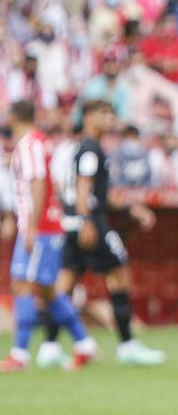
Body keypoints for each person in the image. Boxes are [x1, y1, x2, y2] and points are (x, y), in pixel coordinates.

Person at [53, 100, 162, 366]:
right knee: (119, 275)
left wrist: (132, 209)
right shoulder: (90, 149)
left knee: (63, 287)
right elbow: (84, 188)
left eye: (111, 113)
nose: (109, 118)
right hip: (92, 223)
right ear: (88, 117)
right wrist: (87, 219)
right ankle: (127, 344)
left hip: (75, 224)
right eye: (103, 113)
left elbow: (103, 193)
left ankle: (49, 346)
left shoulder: (84, 148)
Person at [1, 101, 98, 372]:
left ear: (11, 117)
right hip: (48, 225)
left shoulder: (29, 144)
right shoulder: (42, 142)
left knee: (21, 284)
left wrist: (31, 226)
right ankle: (84, 343)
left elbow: (38, 182)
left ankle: (19, 354)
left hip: (40, 227)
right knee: (46, 290)